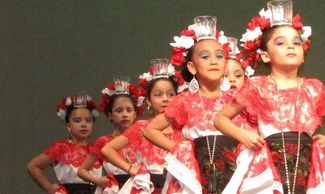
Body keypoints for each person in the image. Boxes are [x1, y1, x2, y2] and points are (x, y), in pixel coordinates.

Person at [215, 2, 325, 193]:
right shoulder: (258, 85)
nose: (291, 46)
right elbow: (220, 118)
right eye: (281, 43)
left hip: (307, 166)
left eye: (296, 42)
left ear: (303, 55)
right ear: (265, 56)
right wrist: (244, 135)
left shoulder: (314, 88)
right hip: (269, 166)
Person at [143, 16, 237, 194]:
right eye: (205, 56)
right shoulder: (186, 100)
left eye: (219, 56)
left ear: (225, 65)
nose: (213, 61)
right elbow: (150, 130)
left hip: (233, 171)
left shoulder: (235, 99)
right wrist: (182, 149)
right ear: (192, 67)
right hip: (196, 172)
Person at [101, 59, 186, 193]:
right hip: (147, 187)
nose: (165, 99)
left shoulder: (183, 129)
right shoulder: (141, 127)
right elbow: (107, 149)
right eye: (158, 95)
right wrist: (131, 169)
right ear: (148, 100)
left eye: (171, 94)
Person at [27, 93, 101, 194]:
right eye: (77, 121)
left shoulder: (97, 149)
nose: (83, 124)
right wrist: (50, 189)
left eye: (88, 121)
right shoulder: (61, 148)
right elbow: (33, 166)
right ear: (68, 125)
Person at [77, 78, 142, 193]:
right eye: (119, 110)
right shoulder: (104, 141)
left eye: (129, 110)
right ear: (110, 115)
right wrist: (97, 180)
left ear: (135, 114)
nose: (124, 114)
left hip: (139, 187)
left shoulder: (142, 138)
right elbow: (81, 171)